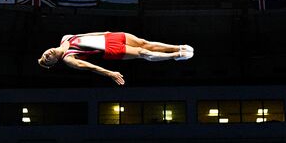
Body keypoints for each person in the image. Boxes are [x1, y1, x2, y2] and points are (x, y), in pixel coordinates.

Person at [38, 32, 193, 85]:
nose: (48, 54)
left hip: (110, 37)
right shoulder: (68, 59)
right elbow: (90, 67)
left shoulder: (65, 38)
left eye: (45, 54)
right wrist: (110, 73)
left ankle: (177, 47)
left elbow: (87, 35)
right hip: (110, 50)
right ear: (54, 62)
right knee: (142, 52)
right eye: (48, 58)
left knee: (144, 43)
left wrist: (105, 32)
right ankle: (176, 56)